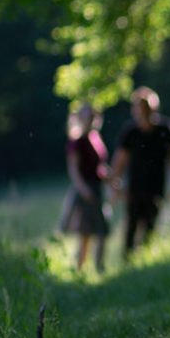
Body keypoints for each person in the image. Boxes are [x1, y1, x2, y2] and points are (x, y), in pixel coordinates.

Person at [108, 86, 170, 259]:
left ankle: (146, 260)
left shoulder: (166, 129)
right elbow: (119, 161)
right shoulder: (130, 132)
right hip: (134, 189)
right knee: (131, 228)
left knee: (150, 228)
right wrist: (115, 185)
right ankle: (128, 261)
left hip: (156, 187)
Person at [58, 103, 110, 272]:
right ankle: (80, 269)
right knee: (85, 234)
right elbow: (74, 171)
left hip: (97, 190)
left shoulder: (95, 138)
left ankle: (99, 267)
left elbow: (99, 167)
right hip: (85, 192)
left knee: (102, 230)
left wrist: (110, 178)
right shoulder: (76, 142)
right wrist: (84, 189)